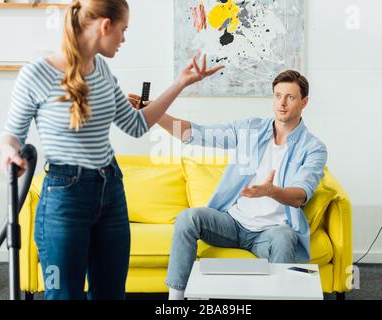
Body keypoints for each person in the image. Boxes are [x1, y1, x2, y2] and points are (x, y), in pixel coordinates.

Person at [0, 0, 223, 300]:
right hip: (65, 198)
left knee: (111, 294)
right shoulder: (36, 73)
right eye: (123, 30)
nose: (124, 39)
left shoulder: (101, 68)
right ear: (105, 26)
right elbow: (12, 135)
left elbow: (135, 124)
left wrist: (180, 83)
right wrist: (10, 152)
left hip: (111, 191)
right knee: (65, 295)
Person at [130, 70, 327, 300]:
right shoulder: (251, 130)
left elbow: (300, 195)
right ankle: (176, 299)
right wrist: (154, 113)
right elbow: (196, 134)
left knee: (285, 237)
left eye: (290, 97)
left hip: (271, 232)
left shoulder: (313, 148)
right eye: (277, 95)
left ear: (304, 102)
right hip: (233, 222)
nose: (282, 103)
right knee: (187, 217)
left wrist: (272, 192)